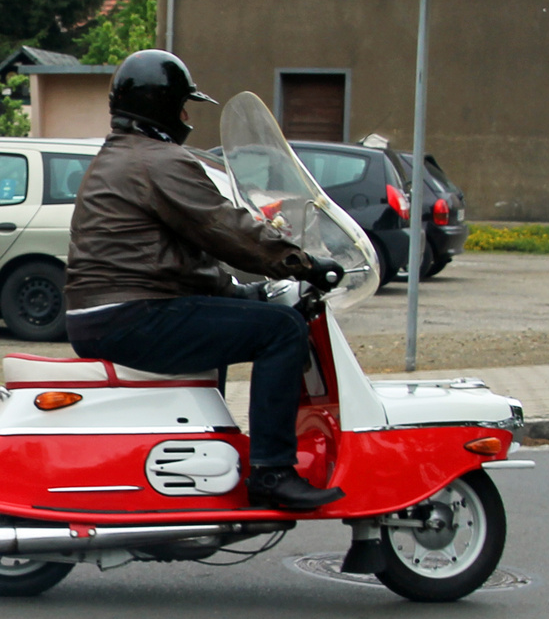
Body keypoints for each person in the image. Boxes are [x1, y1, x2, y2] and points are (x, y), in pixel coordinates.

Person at [63, 50, 346, 510]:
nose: (187, 116)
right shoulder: (157, 160)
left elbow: (177, 253)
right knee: (281, 331)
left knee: (234, 323)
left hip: (110, 311)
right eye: (181, 106)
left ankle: (212, 450)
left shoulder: (123, 156)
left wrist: (238, 292)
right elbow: (223, 227)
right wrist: (301, 263)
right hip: (130, 314)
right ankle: (272, 472)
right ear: (161, 107)